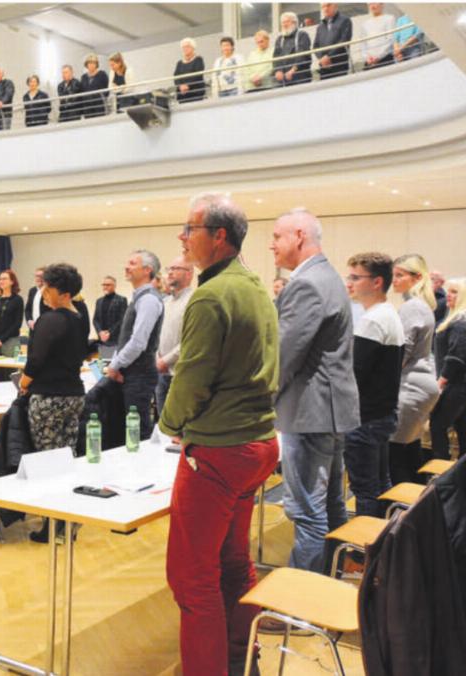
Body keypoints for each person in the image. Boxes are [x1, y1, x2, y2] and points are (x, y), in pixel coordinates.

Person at [159, 194, 279, 676]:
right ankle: (240, 659)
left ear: (219, 236)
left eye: (190, 228)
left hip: (219, 450)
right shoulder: (255, 285)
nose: (182, 237)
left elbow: (192, 376)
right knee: (233, 564)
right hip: (257, 444)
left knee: (192, 579)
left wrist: (169, 425)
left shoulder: (210, 295)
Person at [270, 209, 360, 573]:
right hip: (328, 409)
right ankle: (331, 578)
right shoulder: (327, 275)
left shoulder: (306, 283)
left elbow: (283, 356)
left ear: (299, 236)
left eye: (277, 236)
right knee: (331, 503)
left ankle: (301, 595)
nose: (271, 245)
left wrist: (258, 402)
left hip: (310, 411)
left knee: (306, 510)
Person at [344, 252, 405, 517]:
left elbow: (354, 374)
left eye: (356, 278)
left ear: (377, 282)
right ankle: (385, 536)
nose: (350, 283)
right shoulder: (387, 313)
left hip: (366, 418)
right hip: (382, 414)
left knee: (366, 491)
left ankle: (368, 542)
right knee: (380, 485)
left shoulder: (372, 320)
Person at [19, 262, 88, 452]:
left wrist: (24, 383)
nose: (43, 294)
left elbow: (36, 359)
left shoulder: (51, 320)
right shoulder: (80, 318)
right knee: (68, 451)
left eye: (48, 290)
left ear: (65, 295)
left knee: (47, 453)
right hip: (74, 395)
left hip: (49, 396)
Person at [387, 254, 440, 484]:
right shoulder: (419, 305)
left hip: (410, 386)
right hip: (418, 383)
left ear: (417, 277)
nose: (394, 280)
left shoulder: (413, 306)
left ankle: (404, 505)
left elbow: (402, 352)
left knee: (396, 458)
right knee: (409, 453)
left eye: (400, 275)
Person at [104, 249, 164, 436]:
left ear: (147, 270)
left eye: (132, 263)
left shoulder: (148, 300)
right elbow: (126, 338)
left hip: (140, 375)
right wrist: (116, 364)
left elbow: (138, 342)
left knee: (137, 431)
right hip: (132, 373)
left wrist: (114, 365)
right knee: (130, 429)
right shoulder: (139, 297)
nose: (126, 267)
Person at [429, 278, 466, 459]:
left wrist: (441, 381)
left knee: (438, 424)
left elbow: (456, 357)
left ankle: (442, 468)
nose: (448, 295)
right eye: (449, 291)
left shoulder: (461, 321)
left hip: (459, 381)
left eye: (454, 292)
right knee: (462, 424)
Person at [155, 257, 193, 416]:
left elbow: (191, 339)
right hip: (161, 373)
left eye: (176, 268)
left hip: (180, 375)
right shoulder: (166, 302)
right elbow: (158, 334)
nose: (170, 272)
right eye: (169, 269)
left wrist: (166, 360)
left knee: (179, 425)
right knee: (162, 423)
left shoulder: (194, 300)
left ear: (189, 274)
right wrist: (157, 358)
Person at [0, 270, 24, 371]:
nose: (1, 281)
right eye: (0, 279)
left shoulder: (17, 300)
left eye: (4, 279)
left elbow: (17, 324)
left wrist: (1, 339)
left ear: (12, 281)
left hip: (10, 340)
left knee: (9, 371)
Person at [313, 3, 353, 80]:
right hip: (324, 68)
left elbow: (344, 41)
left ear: (335, 6)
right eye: (323, 7)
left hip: (340, 66)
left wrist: (329, 56)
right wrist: (322, 58)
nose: (325, 8)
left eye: (328, 5)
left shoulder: (345, 20)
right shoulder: (320, 27)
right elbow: (315, 46)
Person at [273, 12, 312, 87]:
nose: (284, 25)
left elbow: (303, 55)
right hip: (283, 80)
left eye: (287, 22)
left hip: (300, 78)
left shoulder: (302, 35)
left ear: (294, 22)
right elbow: (276, 57)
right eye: (282, 22)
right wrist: (278, 71)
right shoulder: (279, 39)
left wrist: (293, 70)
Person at [92, 275, 127, 349]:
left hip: (116, 340)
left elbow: (122, 319)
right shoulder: (99, 301)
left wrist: (109, 332)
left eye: (108, 285)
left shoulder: (122, 300)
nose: (105, 287)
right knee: (103, 356)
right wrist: (100, 332)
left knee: (114, 356)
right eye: (104, 285)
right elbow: (95, 320)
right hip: (102, 339)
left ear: (114, 286)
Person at [358, 3, 396, 70]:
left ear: (382, 4)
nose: (372, 6)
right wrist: (367, 58)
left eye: (375, 2)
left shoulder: (389, 18)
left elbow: (390, 39)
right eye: (370, 4)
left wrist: (378, 57)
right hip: (369, 61)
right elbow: (363, 43)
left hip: (386, 58)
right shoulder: (365, 24)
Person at [173, 38, 206, 103]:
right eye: (183, 47)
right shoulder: (179, 63)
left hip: (195, 92)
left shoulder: (198, 59)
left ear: (193, 48)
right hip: (182, 94)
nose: (185, 49)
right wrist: (181, 86)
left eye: (187, 47)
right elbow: (176, 77)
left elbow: (198, 75)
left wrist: (187, 85)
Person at [79, 54, 109, 118]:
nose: (91, 65)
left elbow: (106, 90)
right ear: (86, 64)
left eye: (93, 63)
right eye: (89, 63)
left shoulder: (102, 74)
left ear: (96, 64)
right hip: (87, 106)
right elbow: (82, 91)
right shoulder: (83, 77)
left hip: (99, 105)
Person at [24, 267, 49, 336]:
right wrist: (29, 320)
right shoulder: (32, 291)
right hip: (33, 328)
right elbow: (27, 309)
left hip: (46, 328)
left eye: (41, 276)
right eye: (36, 276)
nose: (38, 278)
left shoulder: (49, 291)